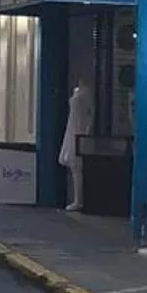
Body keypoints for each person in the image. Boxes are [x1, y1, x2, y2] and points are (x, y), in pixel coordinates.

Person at [60, 75, 95, 212]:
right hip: (73, 126)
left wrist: (87, 130)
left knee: (77, 166)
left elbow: (91, 112)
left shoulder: (86, 93)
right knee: (73, 166)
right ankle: (77, 198)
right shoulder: (76, 91)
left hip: (80, 128)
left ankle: (79, 200)